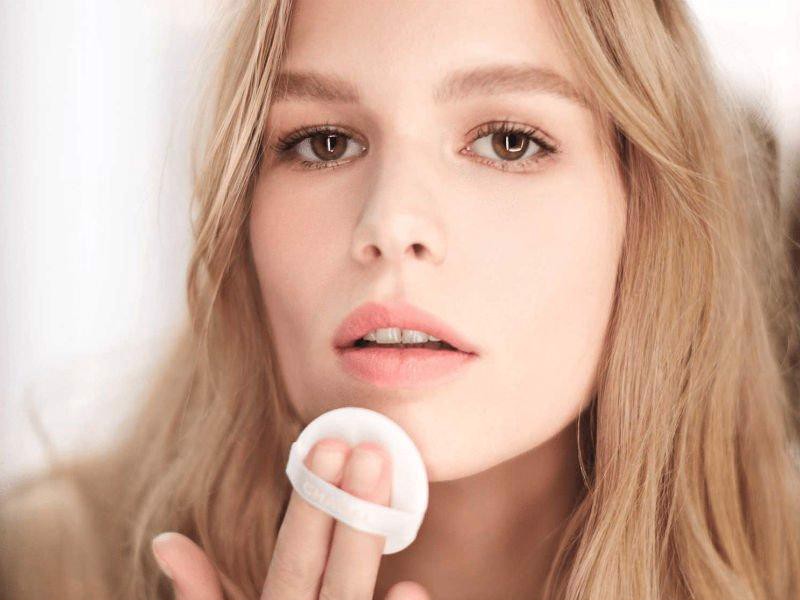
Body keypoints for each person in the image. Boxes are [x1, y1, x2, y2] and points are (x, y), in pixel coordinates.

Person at [2, 0, 799, 598]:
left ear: (648, 214)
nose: (389, 224)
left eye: (508, 141)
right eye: (325, 142)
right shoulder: (43, 570)